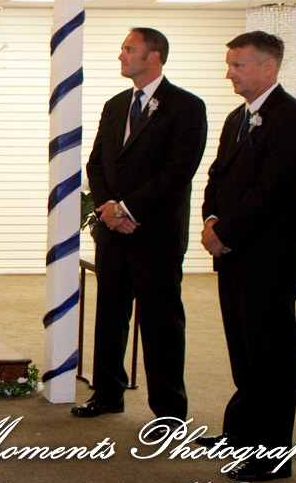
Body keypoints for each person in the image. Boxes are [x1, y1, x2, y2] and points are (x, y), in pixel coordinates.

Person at [198, 31, 296, 481]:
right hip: (232, 253)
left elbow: (272, 192)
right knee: (243, 351)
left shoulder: (292, 120)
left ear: (268, 67)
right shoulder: (236, 118)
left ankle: (272, 454)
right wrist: (211, 222)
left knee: (271, 355)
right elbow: (217, 178)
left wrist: (224, 232)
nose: (229, 73)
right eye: (229, 65)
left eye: (238, 65)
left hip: (267, 258)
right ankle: (243, 434)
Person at [74, 28, 207, 421]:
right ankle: (107, 394)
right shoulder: (116, 105)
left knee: (160, 322)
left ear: (154, 56)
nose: (121, 55)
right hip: (113, 232)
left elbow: (178, 170)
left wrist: (129, 209)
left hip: (156, 233)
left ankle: (168, 411)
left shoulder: (186, 107)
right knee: (110, 316)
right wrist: (108, 210)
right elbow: (96, 163)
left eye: (129, 49)